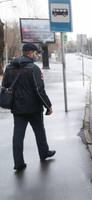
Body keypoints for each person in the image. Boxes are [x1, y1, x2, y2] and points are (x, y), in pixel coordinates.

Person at [1, 43, 56, 171]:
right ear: (30, 53)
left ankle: (18, 163)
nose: (37, 56)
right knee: (39, 131)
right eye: (36, 53)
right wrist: (48, 106)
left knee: (18, 135)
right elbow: (39, 90)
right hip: (33, 108)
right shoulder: (33, 69)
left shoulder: (9, 67)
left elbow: (5, 85)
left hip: (17, 108)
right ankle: (44, 153)